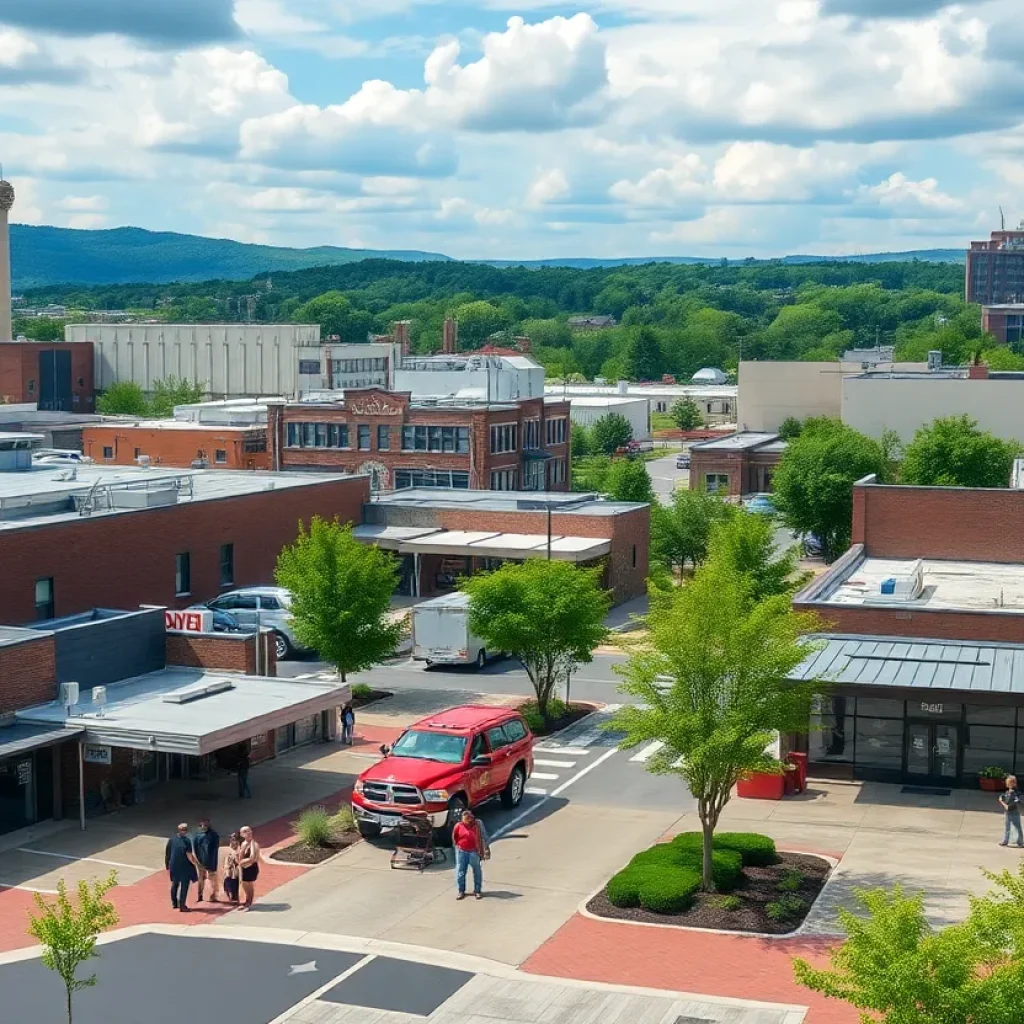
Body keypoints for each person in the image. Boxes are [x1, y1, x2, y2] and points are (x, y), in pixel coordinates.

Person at [452, 809, 489, 901]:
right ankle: (461, 891)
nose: (469, 821)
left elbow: (484, 836)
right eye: (466, 819)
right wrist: (458, 847)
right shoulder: (458, 826)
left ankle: (477, 891)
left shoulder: (478, 824)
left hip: (474, 852)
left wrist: (486, 848)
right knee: (460, 872)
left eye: (470, 819)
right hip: (462, 851)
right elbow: (455, 838)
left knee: (477, 871)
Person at [165, 822, 199, 912]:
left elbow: (167, 853)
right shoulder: (187, 841)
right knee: (184, 885)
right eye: (184, 830)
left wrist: (167, 865)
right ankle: (182, 905)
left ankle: (175, 903)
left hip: (174, 865)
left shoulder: (172, 839)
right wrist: (196, 863)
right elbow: (189, 855)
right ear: (180, 830)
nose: (185, 831)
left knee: (175, 884)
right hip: (184, 866)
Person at [192, 816, 221, 902]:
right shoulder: (197, 835)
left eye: (205, 823)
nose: (204, 825)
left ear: (208, 823)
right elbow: (195, 848)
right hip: (200, 861)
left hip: (211, 860)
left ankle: (214, 895)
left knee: (212, 878)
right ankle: (200, 895)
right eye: (202, 823)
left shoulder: (214, 835)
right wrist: (197, 860)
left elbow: (215, 848)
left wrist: (212, 861)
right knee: (201, 878)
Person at [238, 825, 261, 911]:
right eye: (245, 831)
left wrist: (243, 862)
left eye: (249, 831)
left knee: (249, 885)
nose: (248, 833)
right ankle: (246, 901)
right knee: (244, 885)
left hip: (251, 867)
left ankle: (249, 903)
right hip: (243, 868)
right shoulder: (243, 843)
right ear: (241, 834)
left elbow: (253, 858)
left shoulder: (254, 844)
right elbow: (240, 855)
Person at [999, 774, 1024, 847]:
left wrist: (1003, 802)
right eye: (1008, 783)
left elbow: (1012, 803)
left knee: (1016, 826)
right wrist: (1002, 798)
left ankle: (1020, 841)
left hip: (1013, 811)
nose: (1008, 784)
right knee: (1008, 826)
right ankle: (1006, 841)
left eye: (1010, 783)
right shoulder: (1008, 792)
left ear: (1014, 783)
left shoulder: (1014, 792)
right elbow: (1005, 797)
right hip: (1008, 812)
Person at [222, 832, 241, 905]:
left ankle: (234, 897)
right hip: (229, 867)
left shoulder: (239, 847)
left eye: (233, 838)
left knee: (233, 882)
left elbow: (237, 857)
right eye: (231, 838)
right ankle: (231, 897)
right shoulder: (231, 845)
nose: (231, 839)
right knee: (227, 882)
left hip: (234, 868)